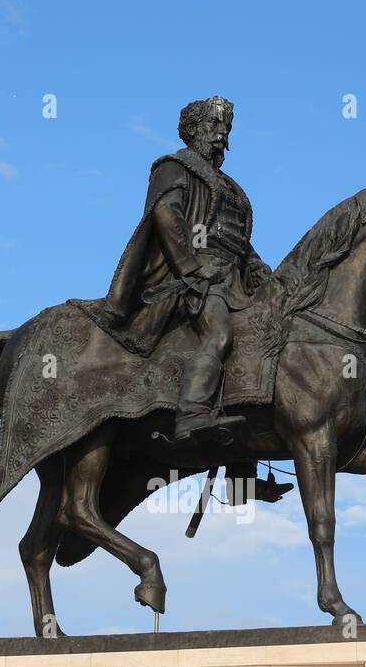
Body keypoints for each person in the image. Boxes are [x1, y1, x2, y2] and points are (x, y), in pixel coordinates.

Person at [73, 95, 272, 443]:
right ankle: (192, 415)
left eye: (226, 127)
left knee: (265, 342)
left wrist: (256, 266)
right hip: (192, 277)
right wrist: (192, 268)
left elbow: (238, 238)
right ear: (192, 128)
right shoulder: (172, 167)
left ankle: (244, 464)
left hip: (234, 279)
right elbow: (169, 217)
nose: (221, 133)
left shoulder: (228, 185)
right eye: (214, 124)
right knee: (220, 334)